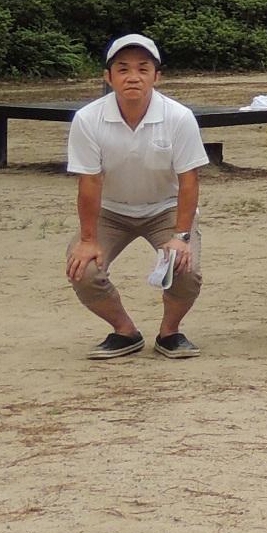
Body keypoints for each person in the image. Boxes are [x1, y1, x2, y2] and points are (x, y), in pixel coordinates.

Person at [65, 35, 209, 361]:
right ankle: (124, 331)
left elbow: (188, 180)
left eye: (143, 69)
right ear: (108, 77)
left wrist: (181, 236)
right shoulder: (88, 119)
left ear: (157, 76)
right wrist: (88, 239)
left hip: (165, 207)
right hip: (110, 210)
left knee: (185, 268)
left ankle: (170, 332)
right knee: (83, 269)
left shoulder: (178, 117)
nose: (133, 77)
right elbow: (89, 182)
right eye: (123, 69)